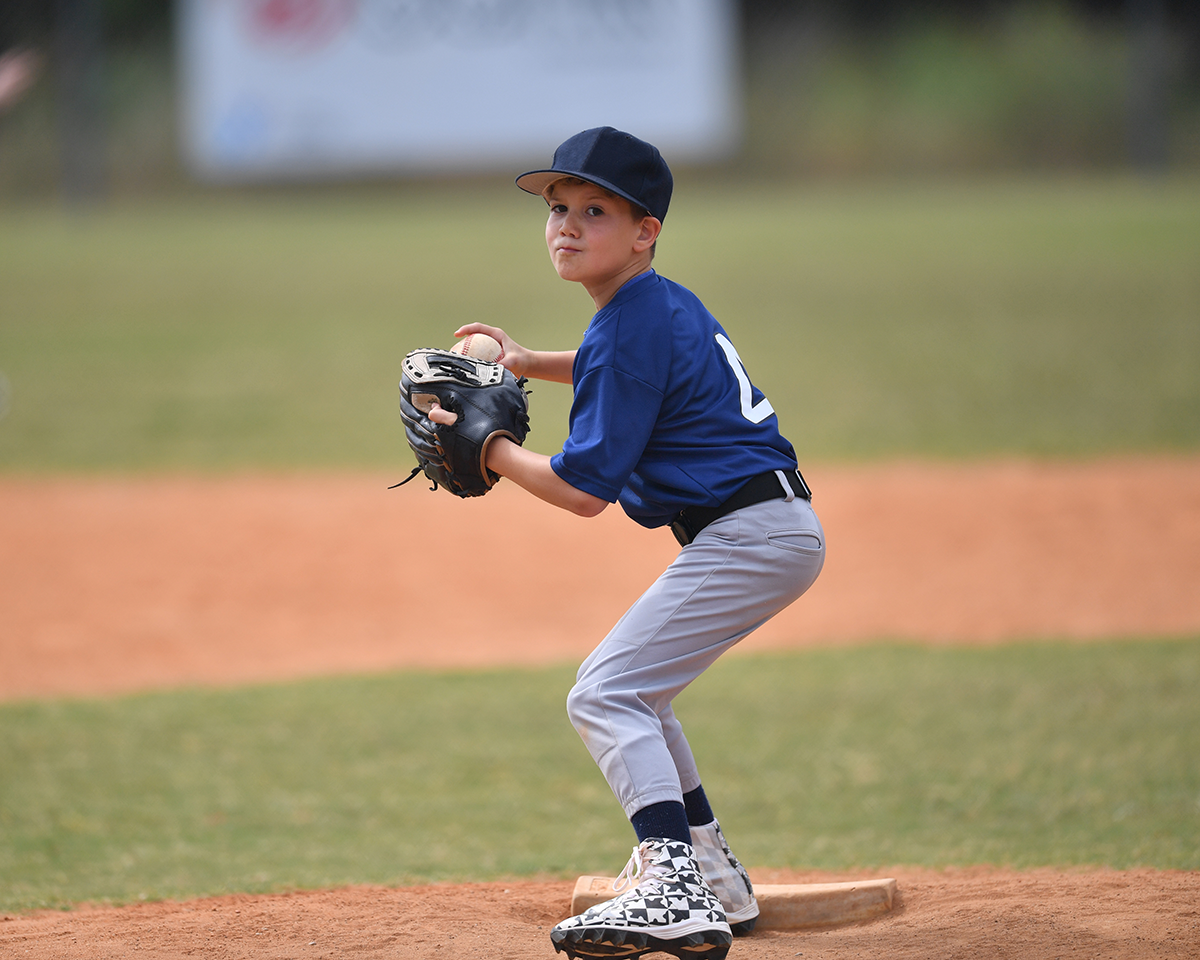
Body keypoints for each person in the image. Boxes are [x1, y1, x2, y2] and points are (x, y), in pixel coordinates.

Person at [445, 127, 825, 960]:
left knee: (604, 693)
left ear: (646, 230)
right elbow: (616, 365)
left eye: (595, 211)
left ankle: (673, 889)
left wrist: (491, 451)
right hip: (765, 528)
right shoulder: (655, 307)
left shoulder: (631, 324)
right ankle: (712, 878)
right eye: (556, 209)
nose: (567, 226)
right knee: (640, 695)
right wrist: (525, 360)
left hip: (749, 532)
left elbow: (583, 493)